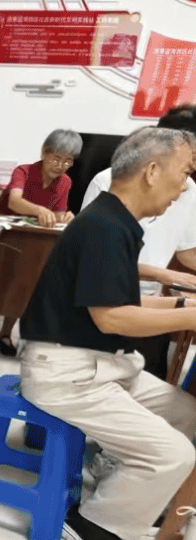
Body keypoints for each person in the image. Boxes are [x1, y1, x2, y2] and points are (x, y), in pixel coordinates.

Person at [19, 127, 196, 540]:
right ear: (153, 171)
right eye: (184, 173)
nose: (186, 186)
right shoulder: (102, 226)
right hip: (65, 374)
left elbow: (123, 300)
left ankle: (116, 478)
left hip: (98, 366)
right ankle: (93, 521)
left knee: (186, 413)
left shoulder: (116, 221)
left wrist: (178, 301)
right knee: (176, 453)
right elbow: (113, 317)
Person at [82, 106, 196, 377]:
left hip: (147, 303)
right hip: (103, 314)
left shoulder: (189, 190)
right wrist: (182, 302)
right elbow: (107, 310)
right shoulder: (109, 190)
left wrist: (183, 304)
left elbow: (187, 250)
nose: (183, 186)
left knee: (154, 383)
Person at [0, 128, 83, 356]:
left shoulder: (65, 182)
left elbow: (58, 213)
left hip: (34, 243)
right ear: (44, 153)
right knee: (2, 282)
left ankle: (9, 333)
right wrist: (40, 210)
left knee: (30, 281)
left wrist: (64, 216)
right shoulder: (23, 171)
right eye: (56, 158)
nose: (61, 166)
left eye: (68, 161)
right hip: (4, 238)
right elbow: (14, 202)